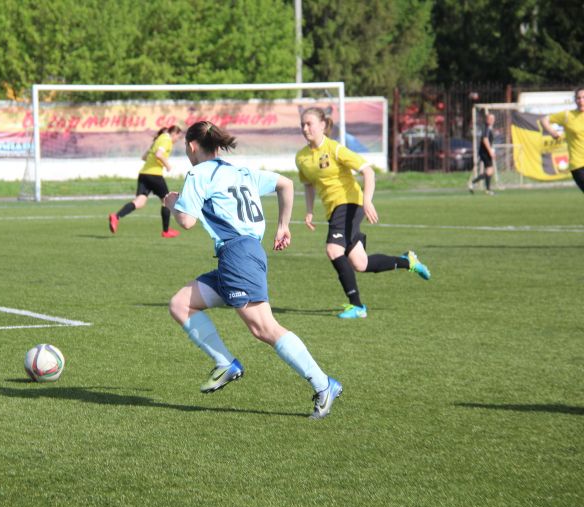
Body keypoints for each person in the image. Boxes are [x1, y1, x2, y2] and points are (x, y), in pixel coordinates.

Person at [163, 121, 342, 420]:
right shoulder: (241, 171)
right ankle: (225, 363)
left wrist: (173, 204)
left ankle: (324, 385)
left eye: (186, 148)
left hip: (238, 255)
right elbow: (285, 184)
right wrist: (283, 225)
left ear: (192, 146)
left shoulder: (198, 173)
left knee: (264, 328)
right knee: (181, 304)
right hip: (241, 254)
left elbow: (186, 221)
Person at [295, 107, 431, 319]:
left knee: (333, 250)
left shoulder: (335, 149)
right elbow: (308, 185)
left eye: (309, 124)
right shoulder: (301, 157)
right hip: (333, 211)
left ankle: (357, 306)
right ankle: (409, 262)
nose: (305, 128)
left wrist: (367, 201)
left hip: (350, 203)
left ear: (322, 125)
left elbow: (368, 171)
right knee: (360, 263)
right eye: (302, 124)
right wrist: (309, 211)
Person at [109, 125, 183, 238]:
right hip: (154, 175)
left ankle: (116, 216)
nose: (178, 139)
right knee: (166, 201)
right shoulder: (166, 139)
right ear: (174, 133)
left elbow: (144, 157)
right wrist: (167, 165)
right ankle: (166, 231)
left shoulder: (158, 140)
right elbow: (159, 154)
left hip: (144, 174)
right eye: (178, 136)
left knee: (140, 202)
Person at [540, 87, 584, 193]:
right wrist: (552, 132)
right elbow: (544, 120)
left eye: (583, 97)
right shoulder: (567, 115)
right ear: (575, 100)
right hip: (578, 164)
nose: (581, 100)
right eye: (578, 98)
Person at [469, 112, 496, 195]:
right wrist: (490, 151)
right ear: (487, 119)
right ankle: (474, 183)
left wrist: (491, 150)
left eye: (493, 118)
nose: (493, 120)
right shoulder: (486, 128)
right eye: (491, 118)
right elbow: (485, 139)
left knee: (490, 171)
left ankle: (486, 189)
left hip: (485, 152)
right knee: (489, 170)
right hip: (485, 152)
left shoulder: (488, 127)